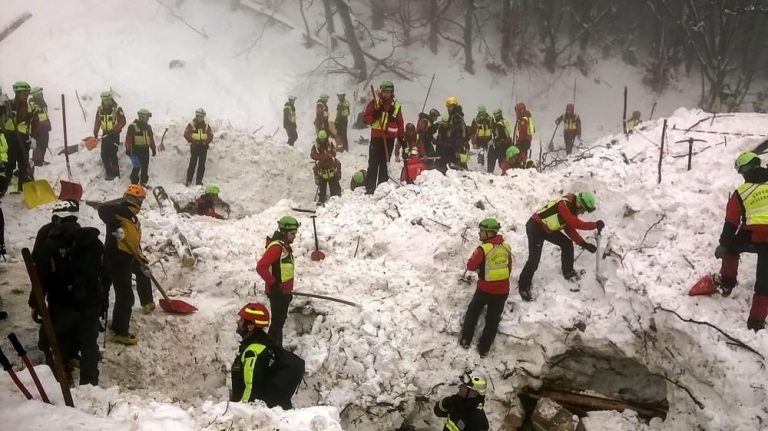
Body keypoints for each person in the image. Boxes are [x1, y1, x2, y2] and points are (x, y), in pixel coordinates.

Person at [32, 200, 108, 385]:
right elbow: (105, 273)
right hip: (91, 304)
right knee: (89, 346)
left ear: (57, 218)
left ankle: (60, 382)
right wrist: (103, 299)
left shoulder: (51, 243)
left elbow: (41, 276)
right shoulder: (93, 241)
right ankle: (90, 388)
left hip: (63, 305)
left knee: (56, 341)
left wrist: (36, 303)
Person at [518, 192, 604, 301]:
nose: (583, 212)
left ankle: (568, 271)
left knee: (567, 244)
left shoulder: (571, 211)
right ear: (579, 203)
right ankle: (523, 286)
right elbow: (574, 223)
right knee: (534, 260)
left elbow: (570, 229)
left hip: (547, 229)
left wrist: (583, 244)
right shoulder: (563, 205)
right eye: (583, 209)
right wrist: (594, 225)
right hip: (535, 227)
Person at [716, 152, 768, 331]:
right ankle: (756, 323)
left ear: (744, 172)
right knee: (765, 284)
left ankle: (727, 282)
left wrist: (724, 245)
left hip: (753, 237)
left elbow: (731, 222)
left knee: (731, 247)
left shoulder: (742, 193)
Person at [98, 184, 154, 345]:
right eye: (141, 199)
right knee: (125, 295)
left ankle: (147, 302)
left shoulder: (133, 218)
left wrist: (141, 257)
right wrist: (114, 224)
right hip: (116, 258)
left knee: (144, 271)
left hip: (130, 254)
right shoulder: (118, 211)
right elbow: (103, 209)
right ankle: (118, 330)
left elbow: (134, 242)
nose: (141, 202)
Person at [230, 302, 303, 409]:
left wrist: (241, 410)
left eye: (241, 320)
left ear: (250, 327)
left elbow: (250, 387)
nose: (238, 322)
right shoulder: (265, 342)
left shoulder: (252, 352)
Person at [461, 218, 511, 357]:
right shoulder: (506, 246)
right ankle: (484, 349)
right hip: (502, 291)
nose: (479, 234)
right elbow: (509, 267)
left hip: (485, 289)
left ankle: (466, 339)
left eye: (482, 232)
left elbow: (470, 266)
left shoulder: (483, 249)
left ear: (489, 233)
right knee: (493, 319)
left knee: (473, 312)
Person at [256, 216, 299, 347]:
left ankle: (273, 351)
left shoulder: (284, 246)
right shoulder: (276, 247)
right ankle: (271, 351)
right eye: (292, 233)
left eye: (295, 233)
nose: (294, 236)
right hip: (277, 293)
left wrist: (287, 292)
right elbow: (261, 267)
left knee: (277, 325)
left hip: (283, 293)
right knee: (276, 326)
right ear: (284, 232)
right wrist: (273, 284)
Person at [362, 80, 404, 194]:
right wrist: (374, 116)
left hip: (389, 139)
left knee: (384, 163)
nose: (385, 94)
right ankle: (370, 188)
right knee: (373, 163)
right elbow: (366, 118)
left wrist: (401, 137)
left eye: (388, 92)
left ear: (392, 93)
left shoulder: (396, 106)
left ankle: (382, 187)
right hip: (376, 137)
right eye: (384, 91)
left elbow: (400, 122)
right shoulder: (375, 103)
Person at [3, 81, 33, 192]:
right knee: (10, 163)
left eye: (27, 94)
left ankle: (22, 185)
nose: (26, 96)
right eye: (23, 94)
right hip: (11, 137)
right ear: (17, 93)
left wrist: (32, 137)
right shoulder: (8, 105)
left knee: (24, 163)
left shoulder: (29, 106)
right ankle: (3, 186)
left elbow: (32, 122)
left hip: (24, 138)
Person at [93, 91, 126, 180]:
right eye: (104, 100)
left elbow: (122, 121)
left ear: (110, 99)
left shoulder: (117, 109)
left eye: (107, 100)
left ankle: (116, 174)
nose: (106, 102)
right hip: (105, 134)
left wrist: (114, 130)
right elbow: (98, 121)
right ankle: (109, 172)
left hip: (114, 135)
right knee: (104, 154)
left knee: (113, 154)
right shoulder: (100, 110)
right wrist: (95, 132)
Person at [125, 109, 156, 187]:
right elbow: (128, 139)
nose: (148, 120)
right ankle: (134, 182)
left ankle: (143, 183)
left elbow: (151, 139)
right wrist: (128, 149)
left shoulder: (148, 127)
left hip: (145, 150)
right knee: (137, 166)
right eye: (146, 118)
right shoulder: (133, 126)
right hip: (136, 149)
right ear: (142, 117)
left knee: (145, 166)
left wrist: (153, 148)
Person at [184, 108, 214, 186]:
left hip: (203, 148)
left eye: (202, 117)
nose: (201, 118)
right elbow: (186, 134)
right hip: (195, 148)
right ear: (196, 116)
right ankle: (188, 180)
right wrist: (193, 139)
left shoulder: (206, 126)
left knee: (201, 165)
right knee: (192, 164)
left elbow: (210, 135)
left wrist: (205, 141)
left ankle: (199, 181)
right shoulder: (192, 125)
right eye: (199, 116)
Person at [310, 130, 342, 205]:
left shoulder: (330, 144)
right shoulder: (315, 147)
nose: (322, 141)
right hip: (321, 171)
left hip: (331, 170)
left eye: (323, 139)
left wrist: (338, 173)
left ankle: (335, 200)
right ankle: (321, 201)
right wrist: (321, 158)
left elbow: (334, 153)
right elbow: (312, 155)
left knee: (334, 189)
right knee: (322, 189)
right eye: (321, 139)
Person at [29, 86, 51, 167]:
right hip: (37, 128)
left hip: (44, 127)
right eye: (40, 94)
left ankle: (40, 159)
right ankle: (37, 161)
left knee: (44, 143)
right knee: (39, 145)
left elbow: (45, 114)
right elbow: (32, 115)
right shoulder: (32, 103)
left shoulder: (42, 103)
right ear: (36, 95)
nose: (41, 95)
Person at [445, 96, 467, 170]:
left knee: (458, 168)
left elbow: (458, 133)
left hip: (456, 146)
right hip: (456, 146)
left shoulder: (456, 117)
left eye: (450, 106)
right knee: (460, 166)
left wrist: (457, 149)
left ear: (454, 106)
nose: (448, 108)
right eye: (447, 106)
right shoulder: (456, 115)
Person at [488, 108, 512, 174]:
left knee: (493, 155)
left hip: (502, 144)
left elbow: (501, 136)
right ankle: (506, 172)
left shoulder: (499, 125)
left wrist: (494, 141)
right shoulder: (504, 121)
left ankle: (490, 172)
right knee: (503, 159)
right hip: (508, 143)